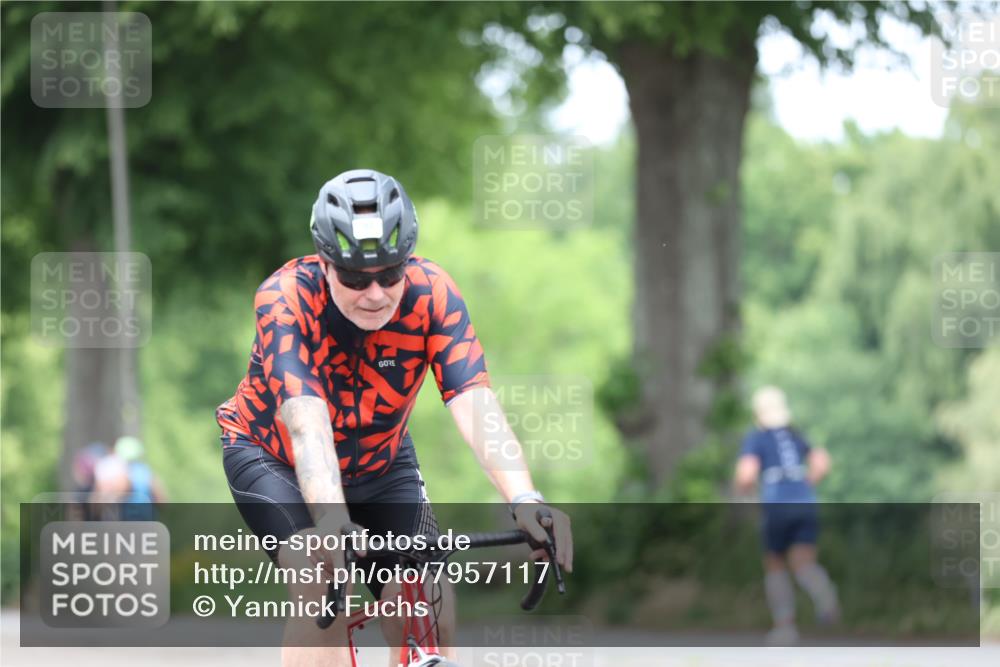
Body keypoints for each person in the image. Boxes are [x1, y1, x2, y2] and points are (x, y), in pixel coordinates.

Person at [216, 169, 573, 667]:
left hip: (382, 461)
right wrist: (333, 520)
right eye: (355, 279)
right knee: (319, 580)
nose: (376, 294)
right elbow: (306, 424)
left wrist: (524, 497)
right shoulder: (286, 300)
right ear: (323, 263)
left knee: (429, 601)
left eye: (390, 274)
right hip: (275, 459)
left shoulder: (432, 294)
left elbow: (473, 401)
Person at [733, 385, 838, 645]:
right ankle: (825, 596)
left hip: (777, 502)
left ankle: (784, 626)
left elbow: (745, 475)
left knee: (775, 563)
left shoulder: (757, 438)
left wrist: (749, 493)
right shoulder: (795, 435)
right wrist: (806, 484)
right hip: (804, 500)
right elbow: (822, 462)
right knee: (804, 563)